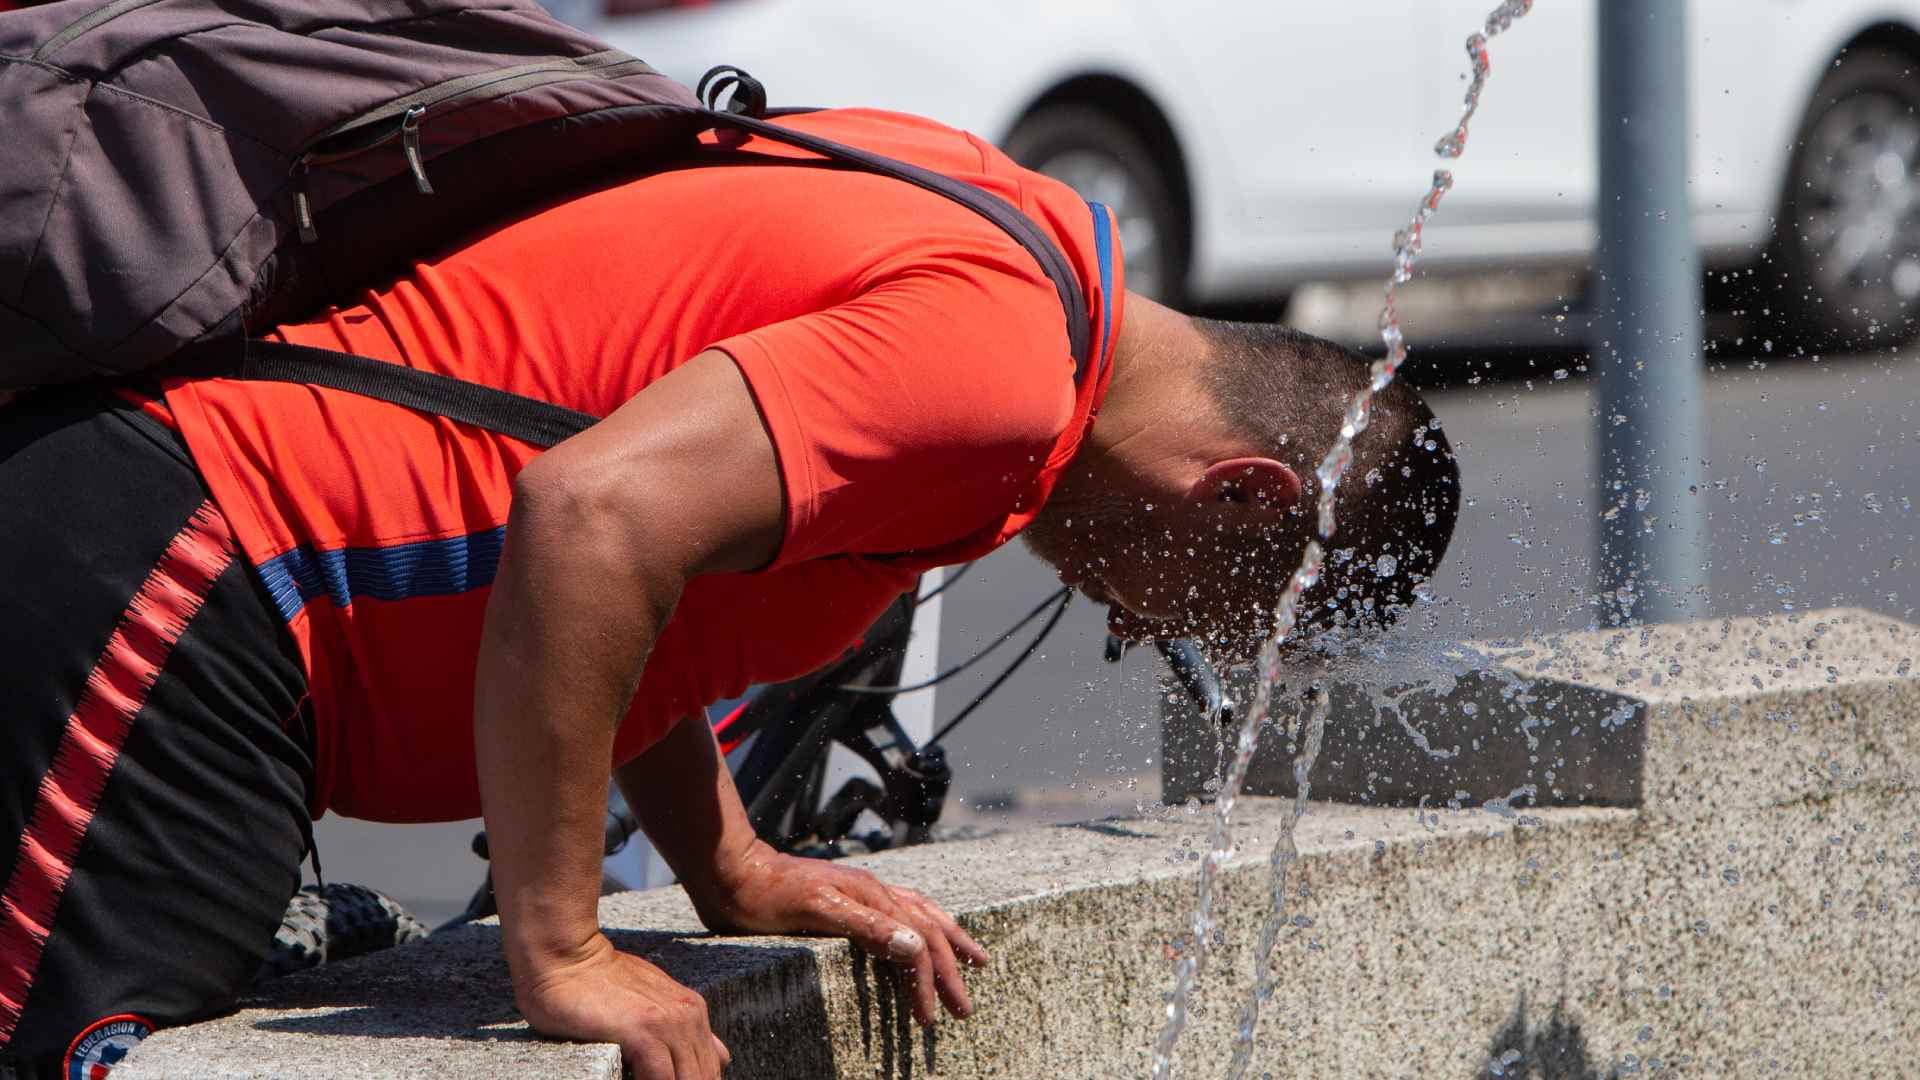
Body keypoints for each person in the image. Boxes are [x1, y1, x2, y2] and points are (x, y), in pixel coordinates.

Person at [0, 106, 1458, 1080]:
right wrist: (563, 950)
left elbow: (646, 569)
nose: (1135, 629)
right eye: (1195, 613)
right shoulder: (1001, 377)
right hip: (189, 574)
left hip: (207, 581)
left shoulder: (1018, 239)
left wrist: (729, 869)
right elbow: (589, 517)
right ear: (1247, 493)